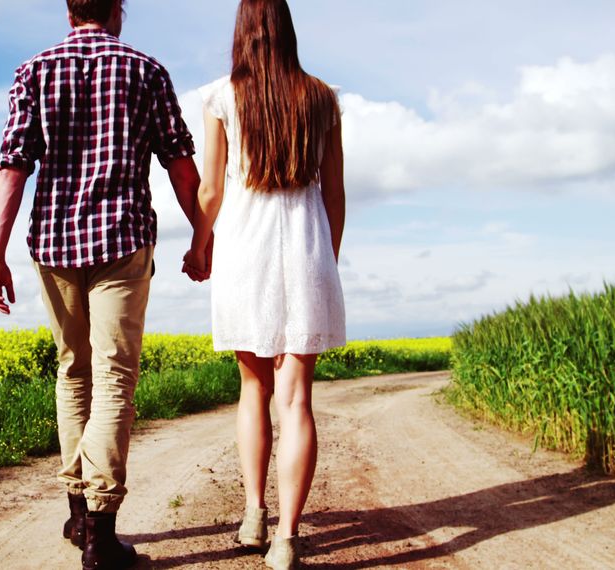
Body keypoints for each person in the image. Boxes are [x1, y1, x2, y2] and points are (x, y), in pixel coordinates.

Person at [0, 1, 209, 568]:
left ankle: (78, 514)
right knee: (114, 377)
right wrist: (203, 234)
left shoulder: (33, 70)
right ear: (117, 9)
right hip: (121, 240)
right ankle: (101, 535)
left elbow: (14, 164)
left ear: (69, 12)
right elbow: (180, 163)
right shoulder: (146, 70)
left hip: (54, 243)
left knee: (72, 371)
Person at [182, 0, 347, 568]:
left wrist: (199, 243)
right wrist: (328, 259)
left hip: (243, 248)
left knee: (253, 389)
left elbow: (211, 191)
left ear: (243, 32)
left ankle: (254, 515)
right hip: (306, 247)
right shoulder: (323, 98)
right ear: (288, 30)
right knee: (297, 399)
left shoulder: (221, 96)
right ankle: (288, 538)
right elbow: (335, 194)